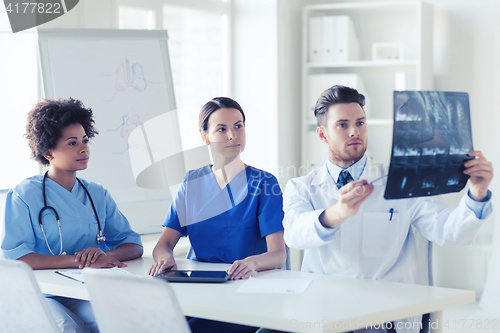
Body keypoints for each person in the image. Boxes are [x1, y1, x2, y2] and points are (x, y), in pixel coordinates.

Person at [283, 86, 493, 333]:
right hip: (324, 316)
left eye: (360, 122)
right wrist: (337, 213)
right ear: (322, 135)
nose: (354, 131)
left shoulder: (401, 179)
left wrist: (476, 195)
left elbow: (449, 231)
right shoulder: (301, 187)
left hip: (384, 321)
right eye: (342, 125)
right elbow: (294, 234)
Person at [0, 98, 144, 333]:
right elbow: (17, 258)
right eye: (72, 143)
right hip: (41, 291)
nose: (84, 148)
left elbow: (133, 245)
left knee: (117, 323)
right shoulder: (24, 194)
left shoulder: (97, 193)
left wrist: (103, 255)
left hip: (84, 290)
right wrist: (79, 260)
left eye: (85, 141)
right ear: (48, 151)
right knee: (69, 329)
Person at [149, 97, 286, 333]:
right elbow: (164, 244)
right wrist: (165, 259)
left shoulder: (264, 183)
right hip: (197, 289)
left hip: (243, 291)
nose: (233, 136)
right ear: (205, 137)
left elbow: (278, 255)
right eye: (222, 129)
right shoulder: (192, 182)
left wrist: (251, 263)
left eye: (238, 126)